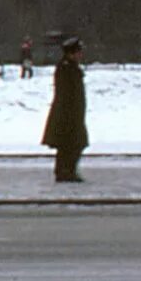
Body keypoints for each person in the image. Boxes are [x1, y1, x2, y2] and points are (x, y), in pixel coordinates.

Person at [42, 36, 88, 182]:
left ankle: (66, 170)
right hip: (67, 114)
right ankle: (65, 171)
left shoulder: (70, 68)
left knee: (71, 144)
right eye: (78, 52)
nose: (81, 55)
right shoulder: (66, 69)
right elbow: (67, 94)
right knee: (71, 144)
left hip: (72, 114)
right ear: (71, 53)